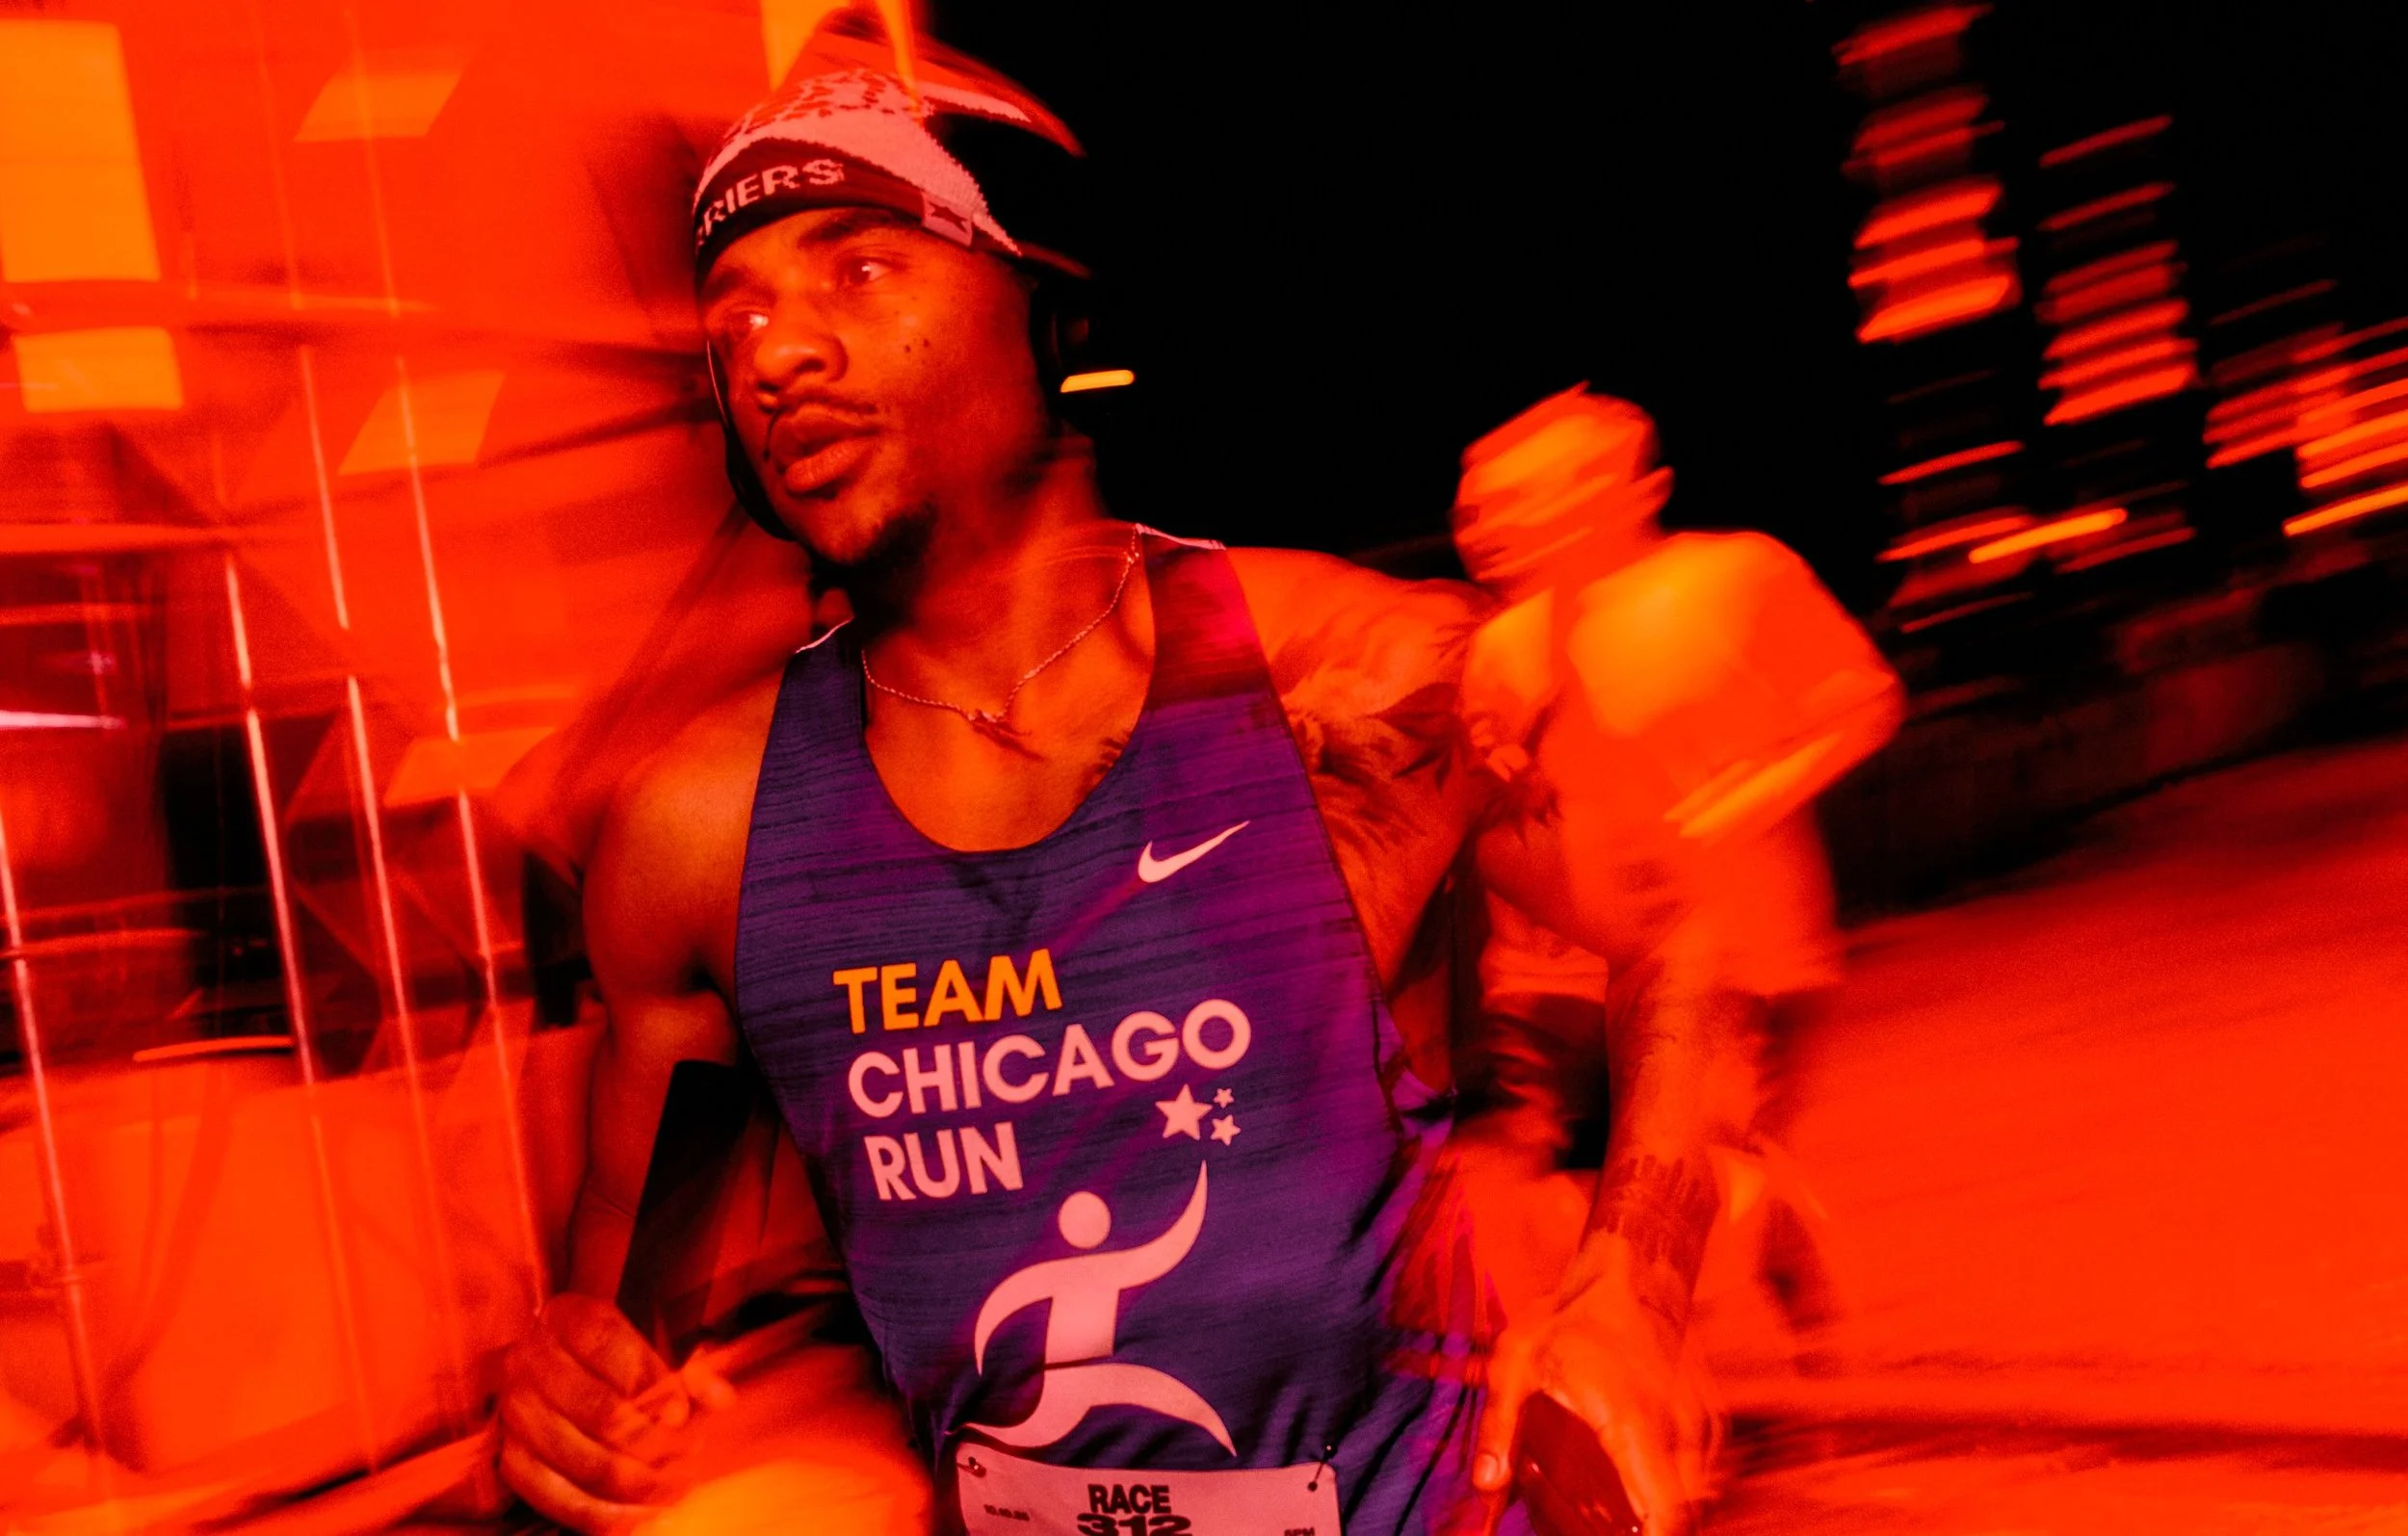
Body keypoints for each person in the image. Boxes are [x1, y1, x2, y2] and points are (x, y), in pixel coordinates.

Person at [498, 27, 1728, 1536]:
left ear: (1045, 306)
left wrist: (1632, 1289)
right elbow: (636, 1318)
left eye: (858, 269)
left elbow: (1678, 923)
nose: (777, 349)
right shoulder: (698, 828)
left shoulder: (1348, 676)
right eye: (732, 309)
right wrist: (573, 1379)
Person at [1449, 385, 1905, 1363]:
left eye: (1527, 497)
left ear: (1633, 490)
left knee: (1674, 1165)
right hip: (1570, 968)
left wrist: (1752, 795)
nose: (1492, 529)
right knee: (1568, 1177)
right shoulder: (1500, 649)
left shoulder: (1735, 576)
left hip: (1745, 945)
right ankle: (1667, 1328)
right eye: (1477, 508)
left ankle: (1697, 1323)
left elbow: (1862, 700)